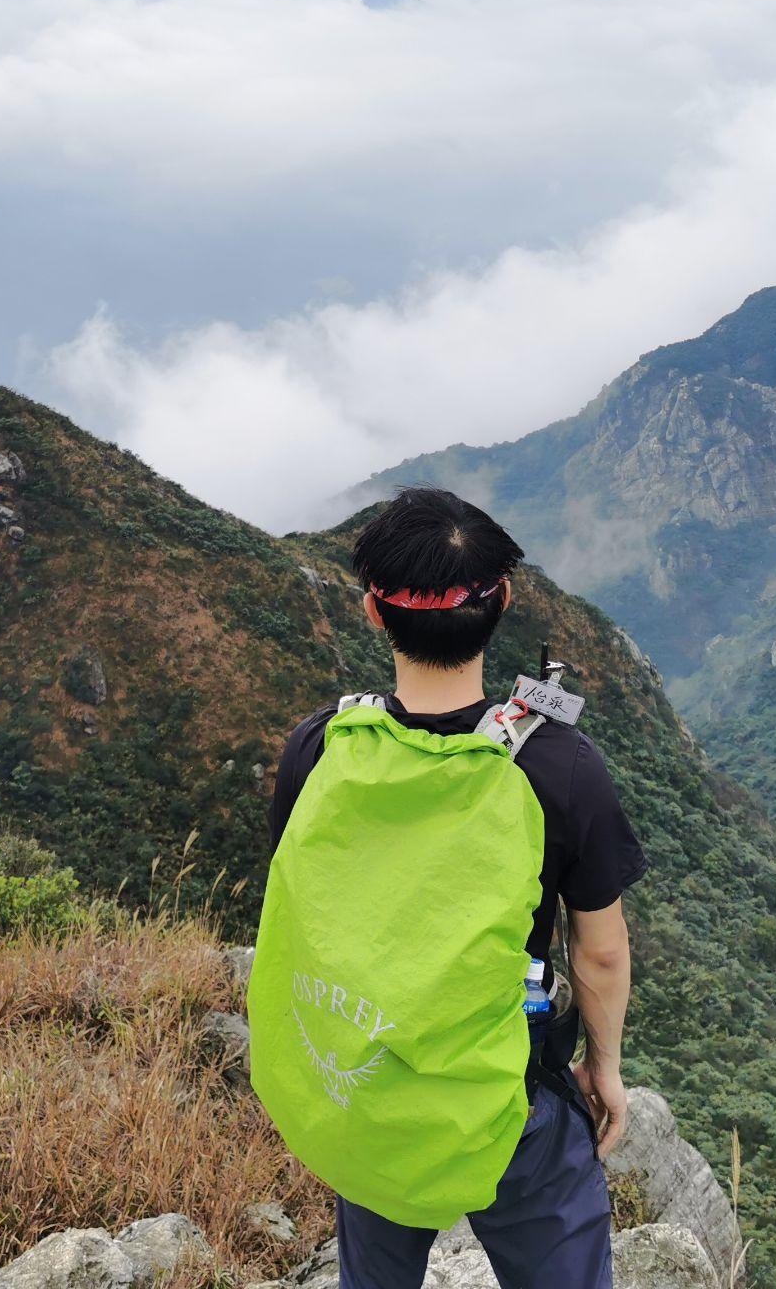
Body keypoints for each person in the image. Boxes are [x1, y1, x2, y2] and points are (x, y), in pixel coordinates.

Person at [265, 487, 646, 1289]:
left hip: (369, 1080)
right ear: (501, 602)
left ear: (375, 612)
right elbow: (601, 954)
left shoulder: (319, 749)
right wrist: (602, 1068)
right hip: (510, 1101)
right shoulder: (557, 768)